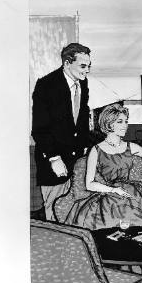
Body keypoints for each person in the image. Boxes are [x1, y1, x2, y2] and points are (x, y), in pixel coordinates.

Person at [64, 103, 142, 231]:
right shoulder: (96, 150)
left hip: (135, 190)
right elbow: (89, 184)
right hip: (111, 193)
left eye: (126, 121)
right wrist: (113, 190)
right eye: (120, 122)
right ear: (109, 124)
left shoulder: (130, 146)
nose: (125, 125)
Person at [31, 43, 92, 221]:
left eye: (89, 66)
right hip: (53, 163)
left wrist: (85, 147)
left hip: (77, 162)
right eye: (83, 66)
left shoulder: (83, 83)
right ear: (67, 63)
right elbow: (40, 129)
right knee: (55, 214)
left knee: (75, 212)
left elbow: (81, 120)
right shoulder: (46, 85)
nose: (87, 71)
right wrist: (54, 158)